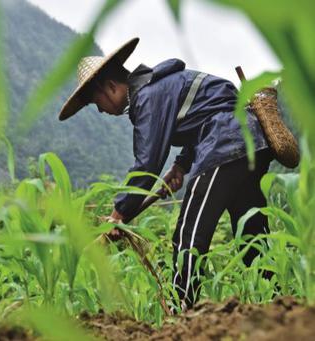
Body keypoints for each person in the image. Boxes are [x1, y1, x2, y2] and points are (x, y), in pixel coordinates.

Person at [58, 37, 273, 310]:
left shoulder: (147, 97)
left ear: (110, 87)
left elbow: (147, 164)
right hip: (250, 142)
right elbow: (210, 113)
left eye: (96, 102)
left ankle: (181, 309)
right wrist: (181, 166)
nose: (101, 110)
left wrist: (118, 213)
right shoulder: (161, 87)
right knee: (251, 230)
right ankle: (276, 300)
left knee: (189, 233)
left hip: (226, 145)